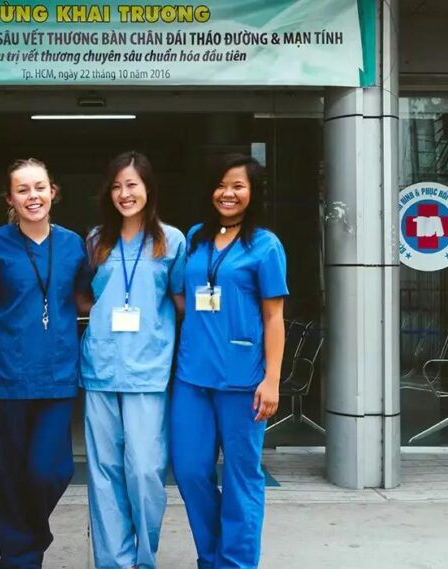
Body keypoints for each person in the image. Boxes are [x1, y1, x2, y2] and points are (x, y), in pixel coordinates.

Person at [170, 154, 288, 569]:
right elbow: (182, 296)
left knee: (242, 478)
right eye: (221, 184)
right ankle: (212, 554)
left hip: (243, 381)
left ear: (252, 192)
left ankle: (235, 562)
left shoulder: (265, 245)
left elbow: (274, 317)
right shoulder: (197, 237)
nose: (228, 193)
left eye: (238, 185)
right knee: (188, 469)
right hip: (192, 377)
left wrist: (272, 380)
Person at [0, 159, 90, 569]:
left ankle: (33, 534)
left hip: (58, 376)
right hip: (5, 377)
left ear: (53, 192)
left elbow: (84, 297)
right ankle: (18, 558)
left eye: (40, 188)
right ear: (10, 198)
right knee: (9, 476)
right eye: (23, 190)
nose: (33, 197)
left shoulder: (73, 244)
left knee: (51, 469)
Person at [80, 151, 185, 569]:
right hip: (101, 367)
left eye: (133, 184)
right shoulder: (95, 240)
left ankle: (145, 559)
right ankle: (113, 562)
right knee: (104, 474)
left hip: (148, 369)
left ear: (148, 188)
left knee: (144, 471)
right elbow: (83, 294)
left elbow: (180, 301)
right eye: (117, 185)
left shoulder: (171, 241)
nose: (125, 193)